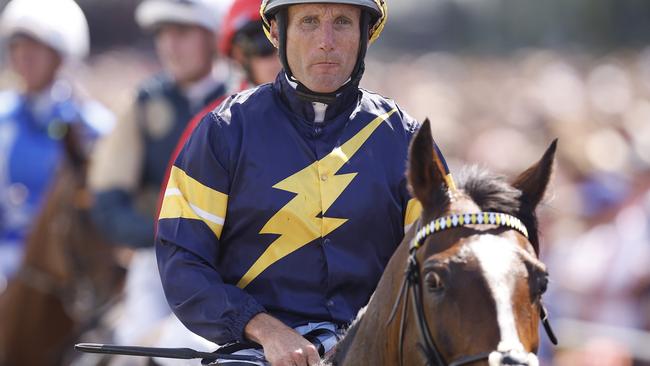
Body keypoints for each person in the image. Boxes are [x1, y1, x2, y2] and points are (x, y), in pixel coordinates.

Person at [156, 0, 420, 365]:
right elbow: (181, 261)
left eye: (342, 22)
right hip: (252, 351)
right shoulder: (223, 130)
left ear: (365, 34)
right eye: (309, 22)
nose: (326, 41)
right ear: (278, 32)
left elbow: (440, 258)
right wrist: (263, 329)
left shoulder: (405, 137)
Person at [88, 0, 233, 345]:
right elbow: (107, 203)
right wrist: (167, 235)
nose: (169, 46)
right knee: (137, 345)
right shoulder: (142, 103)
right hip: (156, 263)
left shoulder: (243, 101)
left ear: (213, 38)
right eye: (162, 34)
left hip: (232, 262)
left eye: (182, 33)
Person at [0, 0, 113, 289]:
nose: (24, 58)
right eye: (18, 48)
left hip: (72, 262)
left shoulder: (94, 127)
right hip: (8, 256)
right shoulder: (3, 119)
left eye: (35, 49)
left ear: (61, 57)